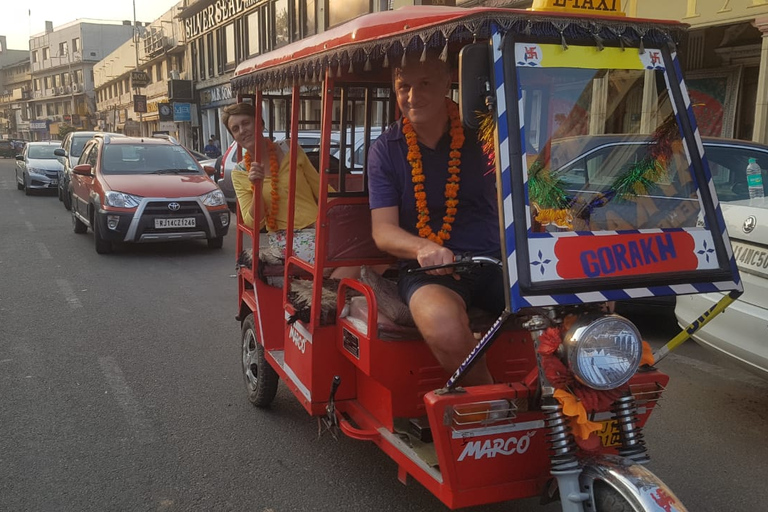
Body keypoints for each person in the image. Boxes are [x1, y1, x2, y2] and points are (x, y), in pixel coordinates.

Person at [367, 53, 504, 387]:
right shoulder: (385, 149)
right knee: (443, 324)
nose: (412, 97)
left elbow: (516, 194)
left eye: (425, 84)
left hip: (495, 260)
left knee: (573, 306)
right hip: (430, 271)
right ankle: (494, 408)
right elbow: (383, 231)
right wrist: (423, 248)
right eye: (404, 87)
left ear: (447, 83)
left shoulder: (484, 133)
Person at [222, 102, 323, 266]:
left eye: (246, 123)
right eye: (235, 129)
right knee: (333, 256)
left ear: (260, 124)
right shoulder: (240, 172)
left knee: (364, 249)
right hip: (286, 237)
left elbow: (321, 188)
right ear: (234, 137)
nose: (242, 131)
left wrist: (336, 220)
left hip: (320, 227)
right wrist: (257, 186)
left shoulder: (290, 148)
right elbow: (254, 223)